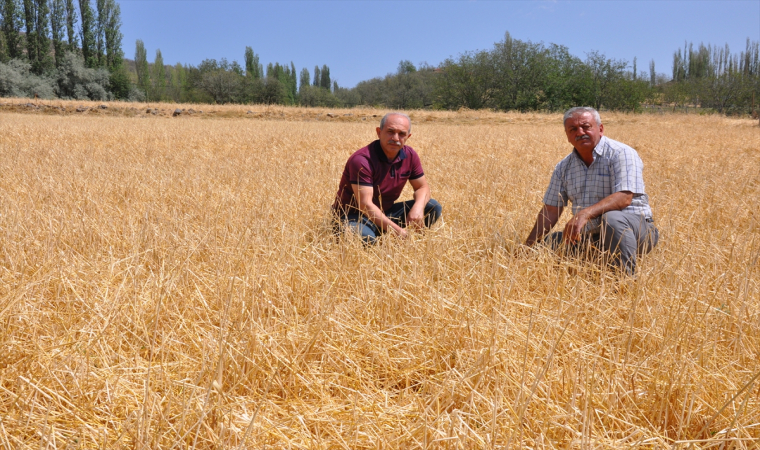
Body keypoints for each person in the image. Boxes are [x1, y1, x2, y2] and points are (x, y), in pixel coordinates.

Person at [524, 106, 658, 275]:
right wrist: (526, 248)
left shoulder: (621, 153)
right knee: (547, 245)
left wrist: (584, 214)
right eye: (573, 129)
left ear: (600, 129)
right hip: (590, 237)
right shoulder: (563, 167)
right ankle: (594, 264)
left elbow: (624, 198)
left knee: (612, 219)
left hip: (636, 232)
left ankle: (625, 282)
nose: (580, 132)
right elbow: (551, 210)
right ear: (567, 136)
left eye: (586, 126)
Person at [332, 112, 442, 244]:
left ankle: (410, 241)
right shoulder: (362, 160)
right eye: (390, 131)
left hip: (386, 212)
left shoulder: (410, 155)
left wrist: (417, 209)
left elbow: (422, 187)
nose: (396, 138)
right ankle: (378, 236)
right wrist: (398, 231)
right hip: (354, 217)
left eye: (401, 134)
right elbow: (365, 205)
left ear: (408, 136)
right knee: (364, 238)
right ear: (379, 132)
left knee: (432, 206)